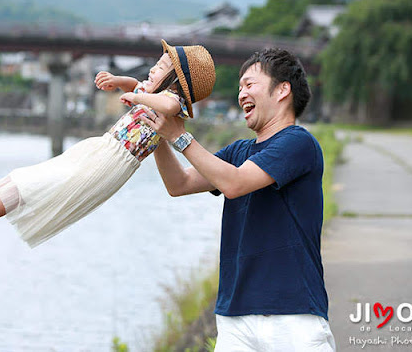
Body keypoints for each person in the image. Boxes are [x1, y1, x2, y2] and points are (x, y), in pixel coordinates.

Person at [0, 39, 215, 248]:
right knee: (22, 179)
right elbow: (138, 86)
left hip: (107, 165)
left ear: (177, 79)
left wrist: (135, 95)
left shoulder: (172, 101)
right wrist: (119, 80)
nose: (152, 68)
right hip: (98, 152)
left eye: (161, 66)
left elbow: (166, 106)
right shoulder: (152, 92)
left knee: (29, 191)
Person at [140, 48, 336, 351]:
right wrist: (159, 134)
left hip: (293, 317)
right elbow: (179, 184)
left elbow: (235, 183)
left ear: (283, 90)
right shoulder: (237, 152)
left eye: (250, 84)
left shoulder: (299, 143)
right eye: (240, 87)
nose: (241, 94)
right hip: (234, 318)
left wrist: (181, 136)